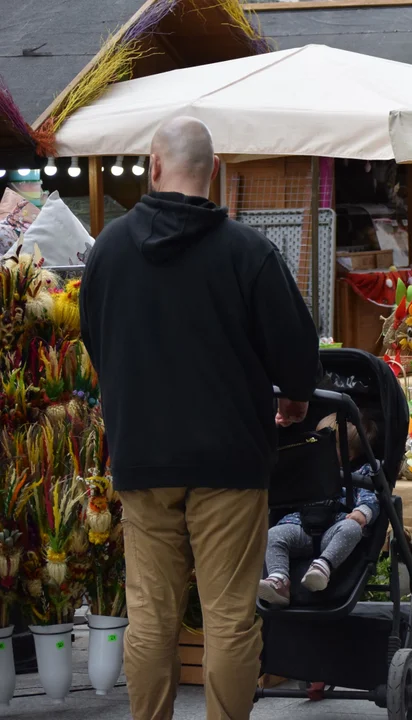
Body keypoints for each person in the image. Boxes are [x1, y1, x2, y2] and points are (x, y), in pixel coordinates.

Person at [79, 116, 320, 720]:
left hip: (143, 458)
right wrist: (292, 399)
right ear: (213, 172)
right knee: (231, 620)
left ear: (153, 167)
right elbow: (297, 348)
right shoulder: (249, 252)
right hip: (230, 462)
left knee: (152, 617)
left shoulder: (106, 250)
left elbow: (95, 342)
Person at [259, 414, 380, 606]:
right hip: (300, 526)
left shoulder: (362, 472)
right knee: (273, 535)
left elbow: (370, 496)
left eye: (326, 445)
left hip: (335, 528)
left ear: (348, 456)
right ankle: (278, 580)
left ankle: (323, 566)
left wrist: (363, 512)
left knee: (352, 528)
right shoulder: (307, 468)